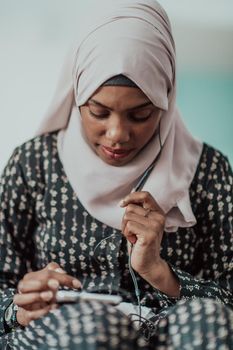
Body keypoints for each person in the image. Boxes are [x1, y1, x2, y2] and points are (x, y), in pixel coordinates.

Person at [0, 0, 232, 349]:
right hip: (64, 334)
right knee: (93, 329)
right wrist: (18, 308)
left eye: (141, 115)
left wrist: (161, 273)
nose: (117, 134)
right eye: (98, 112)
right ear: (76, 95)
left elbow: (228, 299)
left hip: (172, 334)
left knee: (209, 321)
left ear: (166, 99)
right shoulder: (35, 165)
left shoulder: (208, 173)